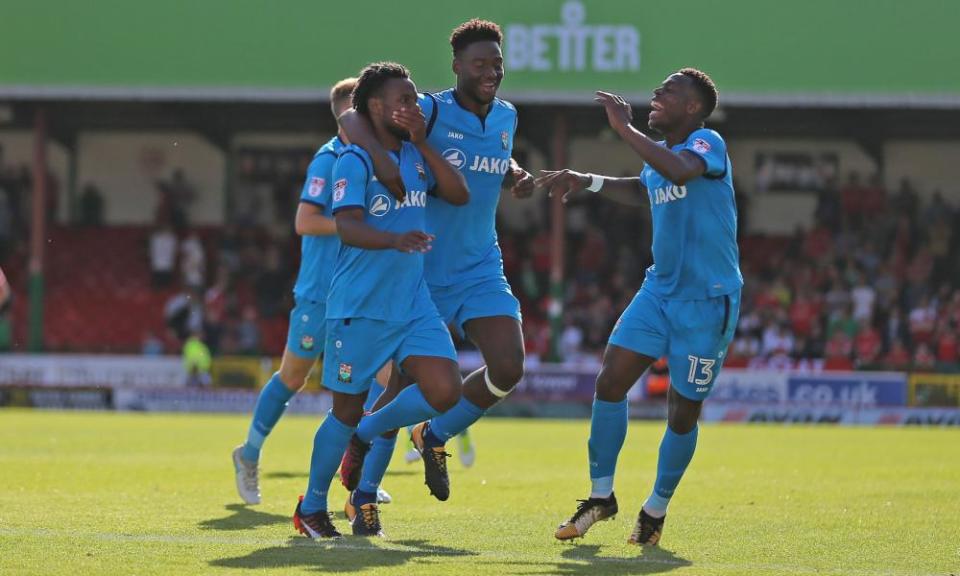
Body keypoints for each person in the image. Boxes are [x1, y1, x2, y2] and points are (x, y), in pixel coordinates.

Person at [536, 68, 742, 546]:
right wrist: (587, 179)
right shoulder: (662, 157)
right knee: (610, 381)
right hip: (659, 292)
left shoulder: (708, 143)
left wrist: (623, 128)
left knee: (681, 410)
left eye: (667, 91)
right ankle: (601, 497)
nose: (656, 94)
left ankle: (656, 508)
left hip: (708, 302)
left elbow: (682, 172)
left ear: (692, 107)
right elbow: (646, 185)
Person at [339, 18, 534, 507]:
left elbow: (490, 160)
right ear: (456, 67)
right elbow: (351, 118)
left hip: (480, 266)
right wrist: (383, 163)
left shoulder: (507, 117)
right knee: (405, 387)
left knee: (508, 367)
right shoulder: (428, 108)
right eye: (479, 64)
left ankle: (434, 434)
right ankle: (363, 495)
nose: (491, 71)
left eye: (497, 62)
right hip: (421, 272)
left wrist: (514, 175)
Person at [293, 62, 470, 539]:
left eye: (415, 100)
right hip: (360, 305)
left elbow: (458, 192)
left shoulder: (415, 155)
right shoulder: (354, 160)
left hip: (412, 302)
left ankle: (367, 434)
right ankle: (311, 506)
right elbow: (347, 224)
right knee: (344, 410)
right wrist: (393, 241)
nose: (414, 107)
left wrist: (424, 141)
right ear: (376, 107)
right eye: (404, 100)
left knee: (445, 390)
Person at [231, 77, 357, 505]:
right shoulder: (328, 159)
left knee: (370, 381)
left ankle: (357, 473)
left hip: (356, 293)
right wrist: (354, 227)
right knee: (293, 376)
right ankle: (248, 454)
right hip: (320, 293)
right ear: (345, 115)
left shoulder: (369, 157)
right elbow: (304, 221)